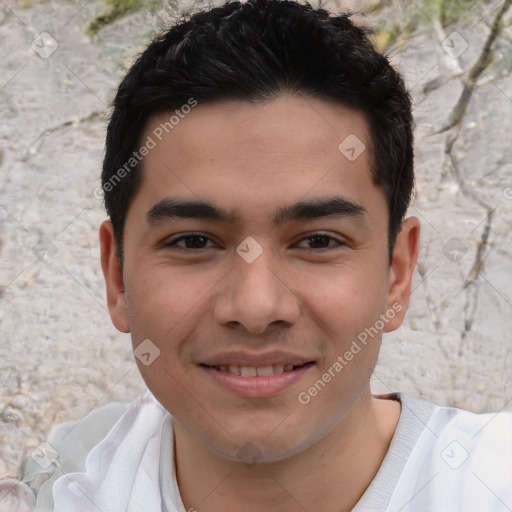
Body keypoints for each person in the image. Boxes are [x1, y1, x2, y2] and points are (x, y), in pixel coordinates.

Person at [12, 0, 511, 511]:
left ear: (397, 275)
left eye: (317, 241)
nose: (255, 308)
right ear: (117, 276)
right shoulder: (65, 482)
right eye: (193, 241)